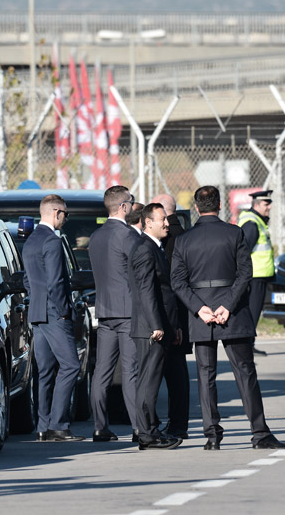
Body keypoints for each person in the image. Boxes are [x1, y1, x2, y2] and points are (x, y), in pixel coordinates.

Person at [170, 186, 285, 450]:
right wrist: (227, 304)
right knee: (245, 372)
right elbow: (245, 274)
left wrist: (199, 308)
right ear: (219, 206)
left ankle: (212, 436)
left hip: (200, 314)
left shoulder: (183, 240)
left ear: (196, 208)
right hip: (233, 313)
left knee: (205, 375)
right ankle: (260, 433)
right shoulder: (234, 232)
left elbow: (178, 282)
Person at [22, 195, 84, 442]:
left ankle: (43, 425)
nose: (65, 220)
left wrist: (36, 300)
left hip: (37, 312)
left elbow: (27, 280)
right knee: (71, 366)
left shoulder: (30, 241)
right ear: (56, 212)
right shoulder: (52, 241)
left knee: (45, 370)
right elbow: (57, 282)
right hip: (54, 312)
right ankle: (58, 425)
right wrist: (64, 310)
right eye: (65, 215)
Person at [128, 203, 183, 450]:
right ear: (148, 222)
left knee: (151, 382)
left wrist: (174, 326)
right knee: (148, 383)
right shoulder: (144, 249)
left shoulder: (154, 248)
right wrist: (156, 325)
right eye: (163, 219)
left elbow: (164, 292)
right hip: (151, 329)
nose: (167, 224)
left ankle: (150, 430)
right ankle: (148, 434)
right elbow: (146, 291)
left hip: (161, 325)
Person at [88, 186, 140, 442]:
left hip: (105, 311)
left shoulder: (96, 236)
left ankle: (100, 427)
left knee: (101, 372)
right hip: (128, 311)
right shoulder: (128, 236)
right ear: (123, 206)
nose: (132, 205)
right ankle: (139, 428)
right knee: (130, 371)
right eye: (131, 202)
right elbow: (139, 272)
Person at [150, 194, 190, 439]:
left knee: (161, 372)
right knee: (178, 374)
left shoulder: (164, 240)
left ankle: (161, 425)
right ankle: (179, 423)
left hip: (167, 315)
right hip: (184, 313)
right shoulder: (186, 236)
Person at [238, 189, 275, 356]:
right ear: (257, 205)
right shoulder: (252, 223)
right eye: (266, 204)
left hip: (258, 274)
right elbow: (243, 251)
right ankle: (247, 345)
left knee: (254, 310)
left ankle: (248, 344)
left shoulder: (256, 220)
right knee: (252, 311)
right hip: (255, 275)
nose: (269, 208)